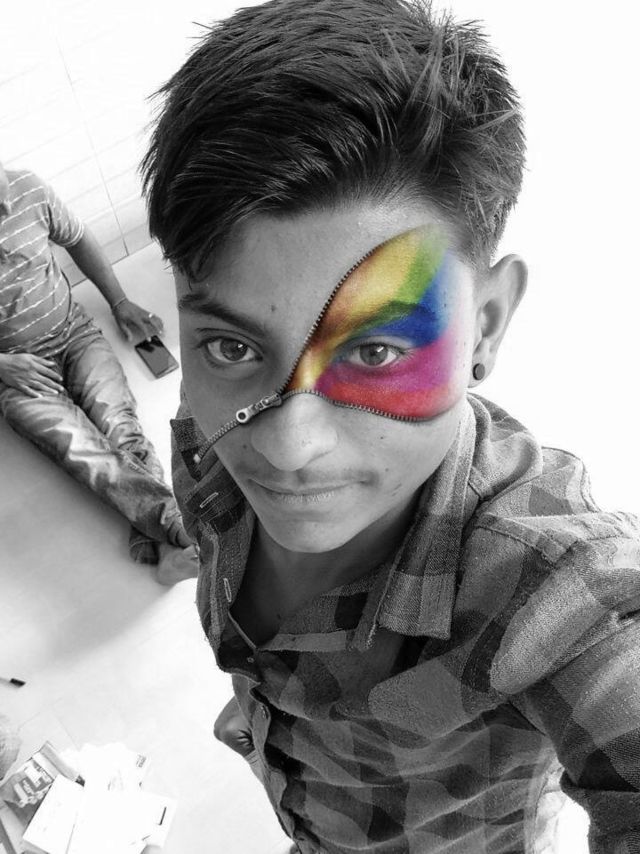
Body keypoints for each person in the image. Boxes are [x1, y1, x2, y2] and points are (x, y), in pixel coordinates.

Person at [141, 0, 640, 850]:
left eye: (373, 352)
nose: (287, 446)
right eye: (232, 346)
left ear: (486, 325)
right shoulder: (205, 426)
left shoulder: (549, 590)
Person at [0, 163, 198, 584]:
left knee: (120, 427)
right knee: (79, 446)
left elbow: (77, 239)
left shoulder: (26, 188)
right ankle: (175, 528)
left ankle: (163, 544)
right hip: (16, 372)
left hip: (74, 333)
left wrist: (119, 303)